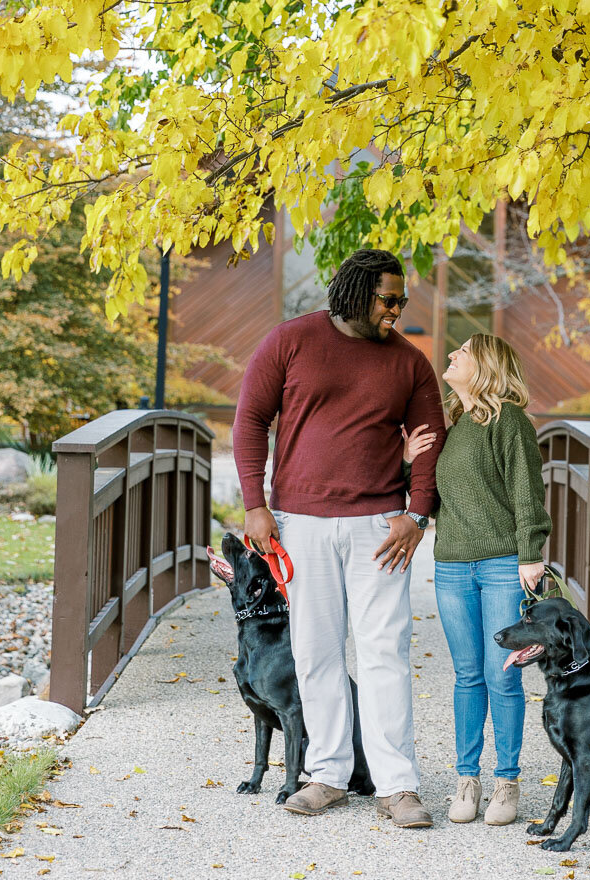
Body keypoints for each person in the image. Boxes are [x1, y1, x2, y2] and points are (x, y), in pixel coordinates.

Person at [232, 248, 446, 828]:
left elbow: (429, 435)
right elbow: (250, 418)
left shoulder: (409, 362)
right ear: (354, 293)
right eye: (388, 299)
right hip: (300, 522)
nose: (398, 310)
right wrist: (255, 504)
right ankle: (327, 774)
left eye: (402, 300)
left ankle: (396, 785)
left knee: (385, 652)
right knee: (315, 649)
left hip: (380, 527)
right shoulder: (291, 341)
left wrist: (417, 514)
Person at [405, 333, 551, 827]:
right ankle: (467, 779)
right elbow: (443, 496)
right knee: (468, 676)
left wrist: (531, 555)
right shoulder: (459, 426)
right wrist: (408, 461)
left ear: (486, 365)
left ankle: (506, 781)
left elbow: (527, 491)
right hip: (451, 567)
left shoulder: (509, 421)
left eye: (462, 352)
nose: (451, 355)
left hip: (502, 565)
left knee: (501, 675)